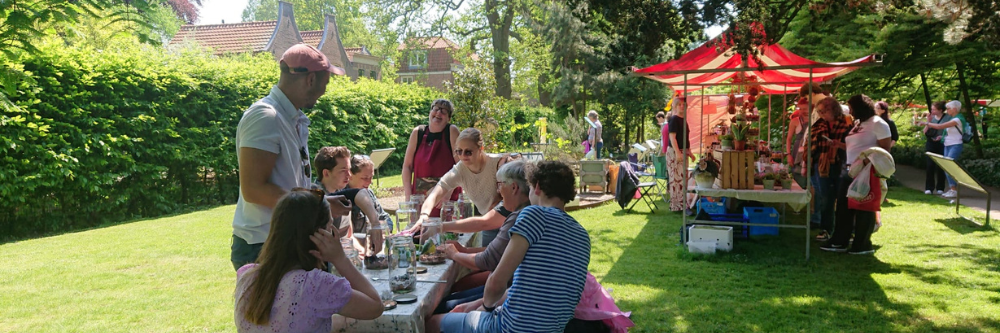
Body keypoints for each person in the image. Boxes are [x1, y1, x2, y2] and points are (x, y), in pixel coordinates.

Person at [429, 161, 591, 333]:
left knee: (432, 322)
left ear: (536, 187)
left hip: (510, 327)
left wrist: (485, 308)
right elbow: (522, 288)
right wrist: (474, 304)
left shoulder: (533, 215)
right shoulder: (582, 235)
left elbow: (497, 281)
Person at [231, 43, 351, 270]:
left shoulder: (292, 119)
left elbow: (290, 184)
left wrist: (321, 202)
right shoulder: (265, 117)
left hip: (283, 240)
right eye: (326, 81)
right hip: (263, 245)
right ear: (310, 80)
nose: (325, 90)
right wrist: (315, 206)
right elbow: (254, 189)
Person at [234, 189, 382, 332]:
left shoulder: (246, 276)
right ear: (320, 236)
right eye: (330, 227)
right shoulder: (316, 285)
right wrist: (340, 259)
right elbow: (375, 306)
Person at [432, 160, 531, 315]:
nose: (498, 190)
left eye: (500, 184)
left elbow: (488, 260)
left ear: (514, 187)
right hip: (511, 290)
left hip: (509, 294)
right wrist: (465, 250)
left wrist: (454, 254)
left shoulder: (519, 217)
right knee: (451, 295)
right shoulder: (522, 210)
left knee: (442, 307)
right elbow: (500, 252)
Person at [407, 128, 510, 245]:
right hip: (489, 225)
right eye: (458, 151)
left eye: (468, 152)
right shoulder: (460, 170)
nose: (462, 156)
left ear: (481, 148)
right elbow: (435, 194)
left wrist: (439, 227)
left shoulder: (498, 164)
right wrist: (424, 216)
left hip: (509, 223)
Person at [821, 94, 892, 255]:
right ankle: (840, 240)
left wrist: (868, 163)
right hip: (850, 169)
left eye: (852, 108)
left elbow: (884, 150)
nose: (850, 112)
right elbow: (854, 146)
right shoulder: (858, 124)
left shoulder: (878, 124)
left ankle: (862, 244)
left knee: (864, 208)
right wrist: (838, 144)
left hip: (866, 172)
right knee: (843, 207)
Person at [401, 99, 461, 212]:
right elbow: (407, 167)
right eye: (436, 108)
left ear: (449, 118)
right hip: (420, 200)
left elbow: (461, 166)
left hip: (446, 200)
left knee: (446, 228)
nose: (439, 113)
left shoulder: (451, 131)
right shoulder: (417, 133)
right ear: (430, 112)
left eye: (444, 111)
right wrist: (408, 196)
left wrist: (448, 192)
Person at [809, 97, 854, 241]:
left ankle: (846, 231)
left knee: (843, 199)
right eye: (819, 111)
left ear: (833, 109)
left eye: (824, 111)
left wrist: (838, 145)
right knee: (826, 198)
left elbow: (854, 144)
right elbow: (811, 145)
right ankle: (826, 229)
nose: (821, 114)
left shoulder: (847, 122)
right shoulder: (819, 124)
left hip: (843, 164)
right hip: (822, 167)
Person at [919, 100, 966, 198]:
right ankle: (952, 188)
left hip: (955, 144)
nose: (947, 110)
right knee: (946, 166)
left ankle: (953, 189)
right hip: (947, 144)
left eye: (948, 108)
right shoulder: (953, 118)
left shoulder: (957, 119)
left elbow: (940, 126)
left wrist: (926, 123)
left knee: (949, 165)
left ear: (954, 109)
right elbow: (946, 131)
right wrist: (942, 137)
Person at [667, 95, 697, 213]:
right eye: (679, 104)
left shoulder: (684, 120)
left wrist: (689, 152)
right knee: (676, 180)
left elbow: (685, 138)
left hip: (683, 151)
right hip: (675, 152)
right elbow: (672, 138)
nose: (682, 107)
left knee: (683, 179)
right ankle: (677, 206)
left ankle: (683, 204)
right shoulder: (674, 119)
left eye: (684, 105)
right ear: (674, 106)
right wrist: (678, 153)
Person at [922, 102, 949, 195]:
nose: (932, 111)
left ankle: (940, 187)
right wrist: (928, 122)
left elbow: (948, 130)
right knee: (930, 165)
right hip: (931, 143)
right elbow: (925, 132)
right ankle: (929, 188)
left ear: (940, 110)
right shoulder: (931, 118)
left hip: (942, 143)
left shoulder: (947, 118)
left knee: (941, 165)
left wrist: (942, 136)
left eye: (934, 109)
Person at [786, 97, 812, 187]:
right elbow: (788, 138)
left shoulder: (815, 120)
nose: (802, 111)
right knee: (798, 176)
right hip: (798, 154)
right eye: (800, 109)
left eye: (804, 108)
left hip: (811, 152)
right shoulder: (795, 121)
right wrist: (788, 154)